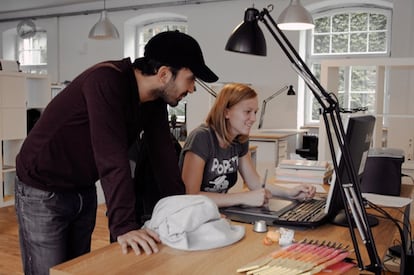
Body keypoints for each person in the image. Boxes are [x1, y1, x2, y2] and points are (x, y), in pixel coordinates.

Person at [14, 31, 218, 275]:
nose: (193, 88)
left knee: (74, 271)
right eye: (191, 79)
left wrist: (187, 214)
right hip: (42, 188)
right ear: (164, 74)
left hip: (82, 188)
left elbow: (163, 157)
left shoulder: (154, 102)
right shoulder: (106, 81)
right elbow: (112, 157)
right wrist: (124, 226)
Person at [179, 83, 315, 208]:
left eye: (255, 112)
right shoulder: (201, 138)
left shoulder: (240, 139)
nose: (254, 118)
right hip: (191, 215)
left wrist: (289, 193)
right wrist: (243, 197)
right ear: (226, 112)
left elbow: (254, 183)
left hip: (216, 212)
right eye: (247, 112)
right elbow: (191, 196)